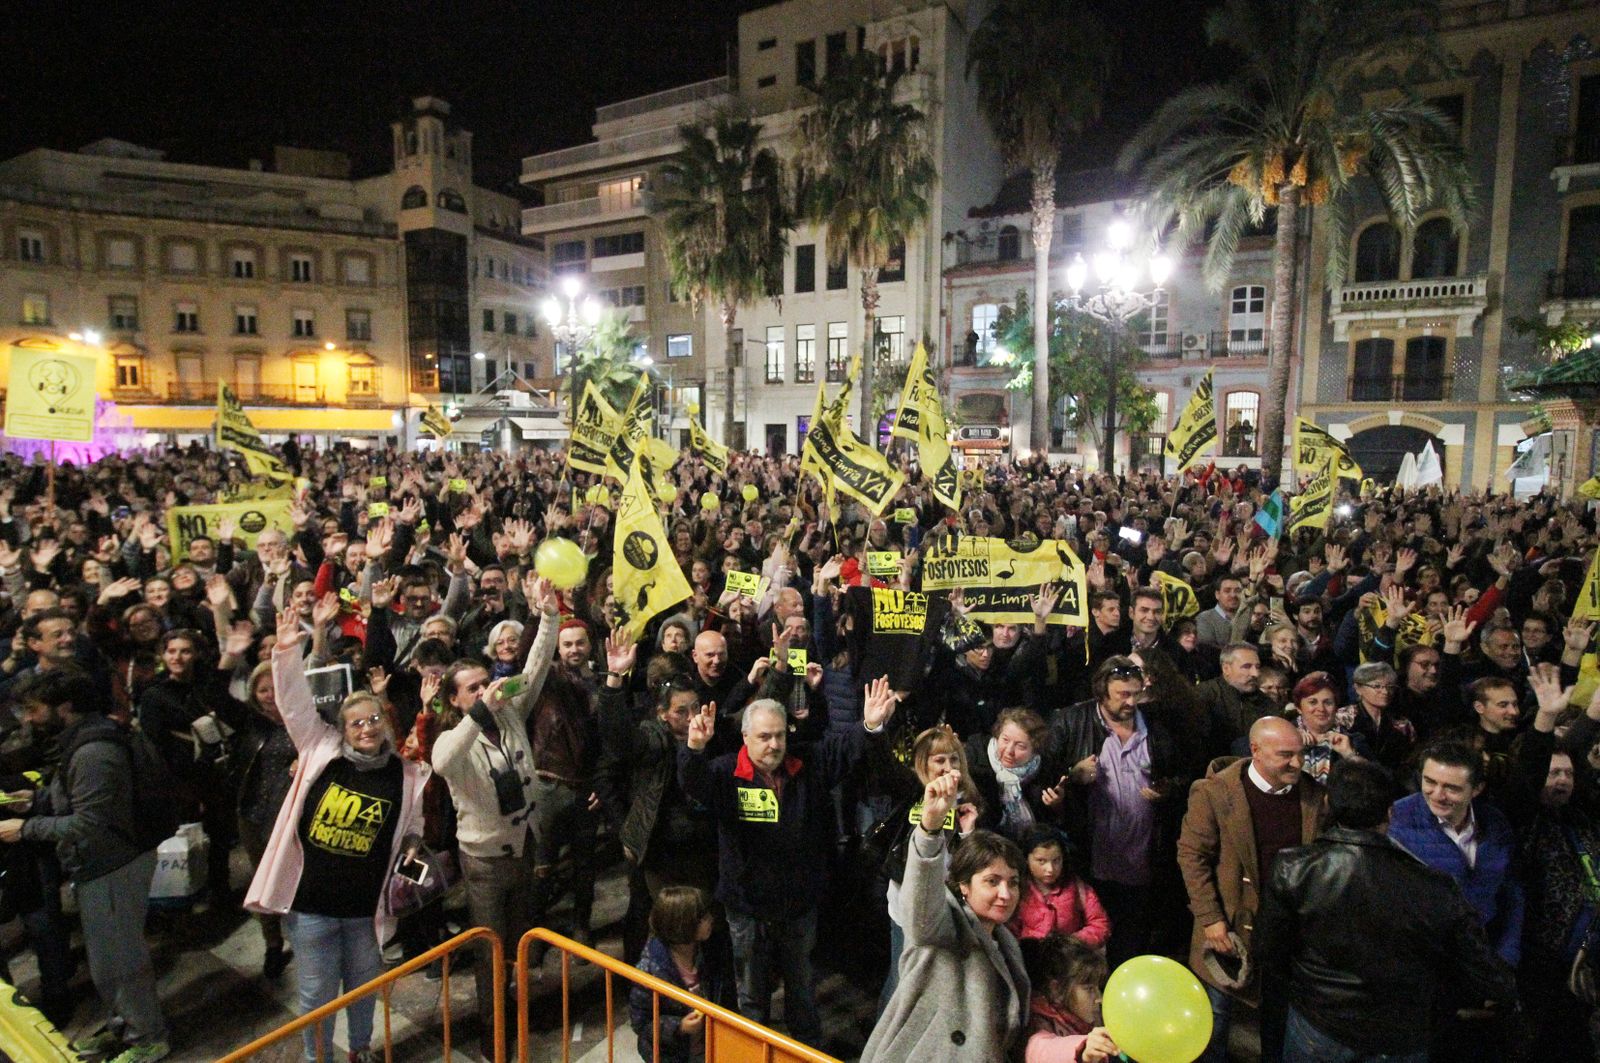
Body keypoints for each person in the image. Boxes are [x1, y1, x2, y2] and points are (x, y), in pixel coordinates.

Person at [244, 609, 429, 1063]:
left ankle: (361, 1050)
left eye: (373, 721)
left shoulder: (407, 775)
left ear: (385, 724)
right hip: (312, 907)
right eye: (357, 723)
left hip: (365, 908)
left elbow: (413, 829)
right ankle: (317, 1057)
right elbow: (293, 703)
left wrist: (411, 852)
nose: (366, 729)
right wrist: (286, 650)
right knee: (316, 995)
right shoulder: (320, 748)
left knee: (364, 988)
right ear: (342, 730)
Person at [1253, 759, 1518, 1062]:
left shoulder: (1294, 867)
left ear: (1327, 803)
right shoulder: (1435, 886)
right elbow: (1481, 969)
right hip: (1399, 1034)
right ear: (1389, 813)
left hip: (1320, 1023)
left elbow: (1268, 950)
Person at [678, 681, 896, 1045]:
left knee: (801, 985)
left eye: (779, 735)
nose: (774, 745)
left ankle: (804, 1047)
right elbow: (695, 784)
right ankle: (753, 1045)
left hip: (798, 905)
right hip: (747, 906)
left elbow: (845, 750)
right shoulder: (725, 772)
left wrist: (869, 726)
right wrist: (694, 749)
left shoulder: (807, 763)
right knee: (751, 990)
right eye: (764, 737)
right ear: (745, 736)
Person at [0, 668, 170, 1063]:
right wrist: (38, 798)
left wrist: (26, 828)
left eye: (34, 709)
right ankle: (123, 1025)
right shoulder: (81, 739)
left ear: (65, 707)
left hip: (113, 865)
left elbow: (92, 823)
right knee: (105, 961)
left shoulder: (95, 750)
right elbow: (79, 799)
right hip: (99, 866)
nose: (28, 718)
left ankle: (149, 1038)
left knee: (121, 962)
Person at [430, 577, 559, 1059]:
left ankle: (520, 1010)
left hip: (524, 846)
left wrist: (547, 616)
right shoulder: (453, 740)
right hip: (484, 861)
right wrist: (477, 716)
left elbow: (537, 665)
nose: (485, 691)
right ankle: (492, 1032)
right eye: (472, 688)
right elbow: (442, 763)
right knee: (490, 951)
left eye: (485, 682)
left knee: (522, 941)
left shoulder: (509, 713)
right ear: (456, 699)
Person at [1178, 716, 1325, 1063]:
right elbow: (1192, 856)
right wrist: (1212, 919)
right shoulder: (1215, 793)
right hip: (1227, 928)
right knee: (1214, 1022)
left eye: (1300, 754)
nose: (1297, 763)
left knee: (1279, 1021)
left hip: (1286, 933)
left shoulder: (1314, 797)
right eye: (1285, 755)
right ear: (1256, 750)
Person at [863, 771, 1031, 1061]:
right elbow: (921, 907)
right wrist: (929, 829)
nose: (1006, 893)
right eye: (992, 881)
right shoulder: (943, 926)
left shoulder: (1007, 944)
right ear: (964, 885)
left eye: (1012, 882)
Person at [1387, 737, 1524, 1060]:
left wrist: (1505, 959)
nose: (1437, 794)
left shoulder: (1496, 824)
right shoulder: (1397, 821)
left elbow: (1512, 892)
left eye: (1451, 787)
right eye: (1429, 782)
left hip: (1486, 967)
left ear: (1476, 789)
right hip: (1425, 980)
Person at [628, 886, 735, 1063]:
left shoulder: (711, 952)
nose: (710, 919)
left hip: (710, 1049)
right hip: (672, 1056)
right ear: (683, 925)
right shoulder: (650, 970)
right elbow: (642, 1024)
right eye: (702, 918)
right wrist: (679, 1027)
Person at [1008, 828, 1110, 958]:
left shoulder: (1077, 888)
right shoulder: (1018, 891)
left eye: (1056, 861)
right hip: (1031, 963)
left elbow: (1100, 923)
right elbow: (1009, 931)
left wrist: (1071, 943)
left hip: (1070, 962)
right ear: (1026, 859)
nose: (1050, 869)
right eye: (1041, 861)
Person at [1023, 934, 1121, 1063]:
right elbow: (1040, 1050)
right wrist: (1083, 1048)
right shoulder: (1038, 1024)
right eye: (1089, 989)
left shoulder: (1091, 1020)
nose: (1099, 998)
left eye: (1098, 988)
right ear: (1057, 990)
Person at [1288, 672, 1369, 785]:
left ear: (1336, 708)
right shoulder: (1282, 737)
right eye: (1313, 702)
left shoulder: (1354, 739)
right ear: (1298, 708)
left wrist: (1349, 754)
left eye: (1328, 702)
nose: (1321, 708)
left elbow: (1370, 782)